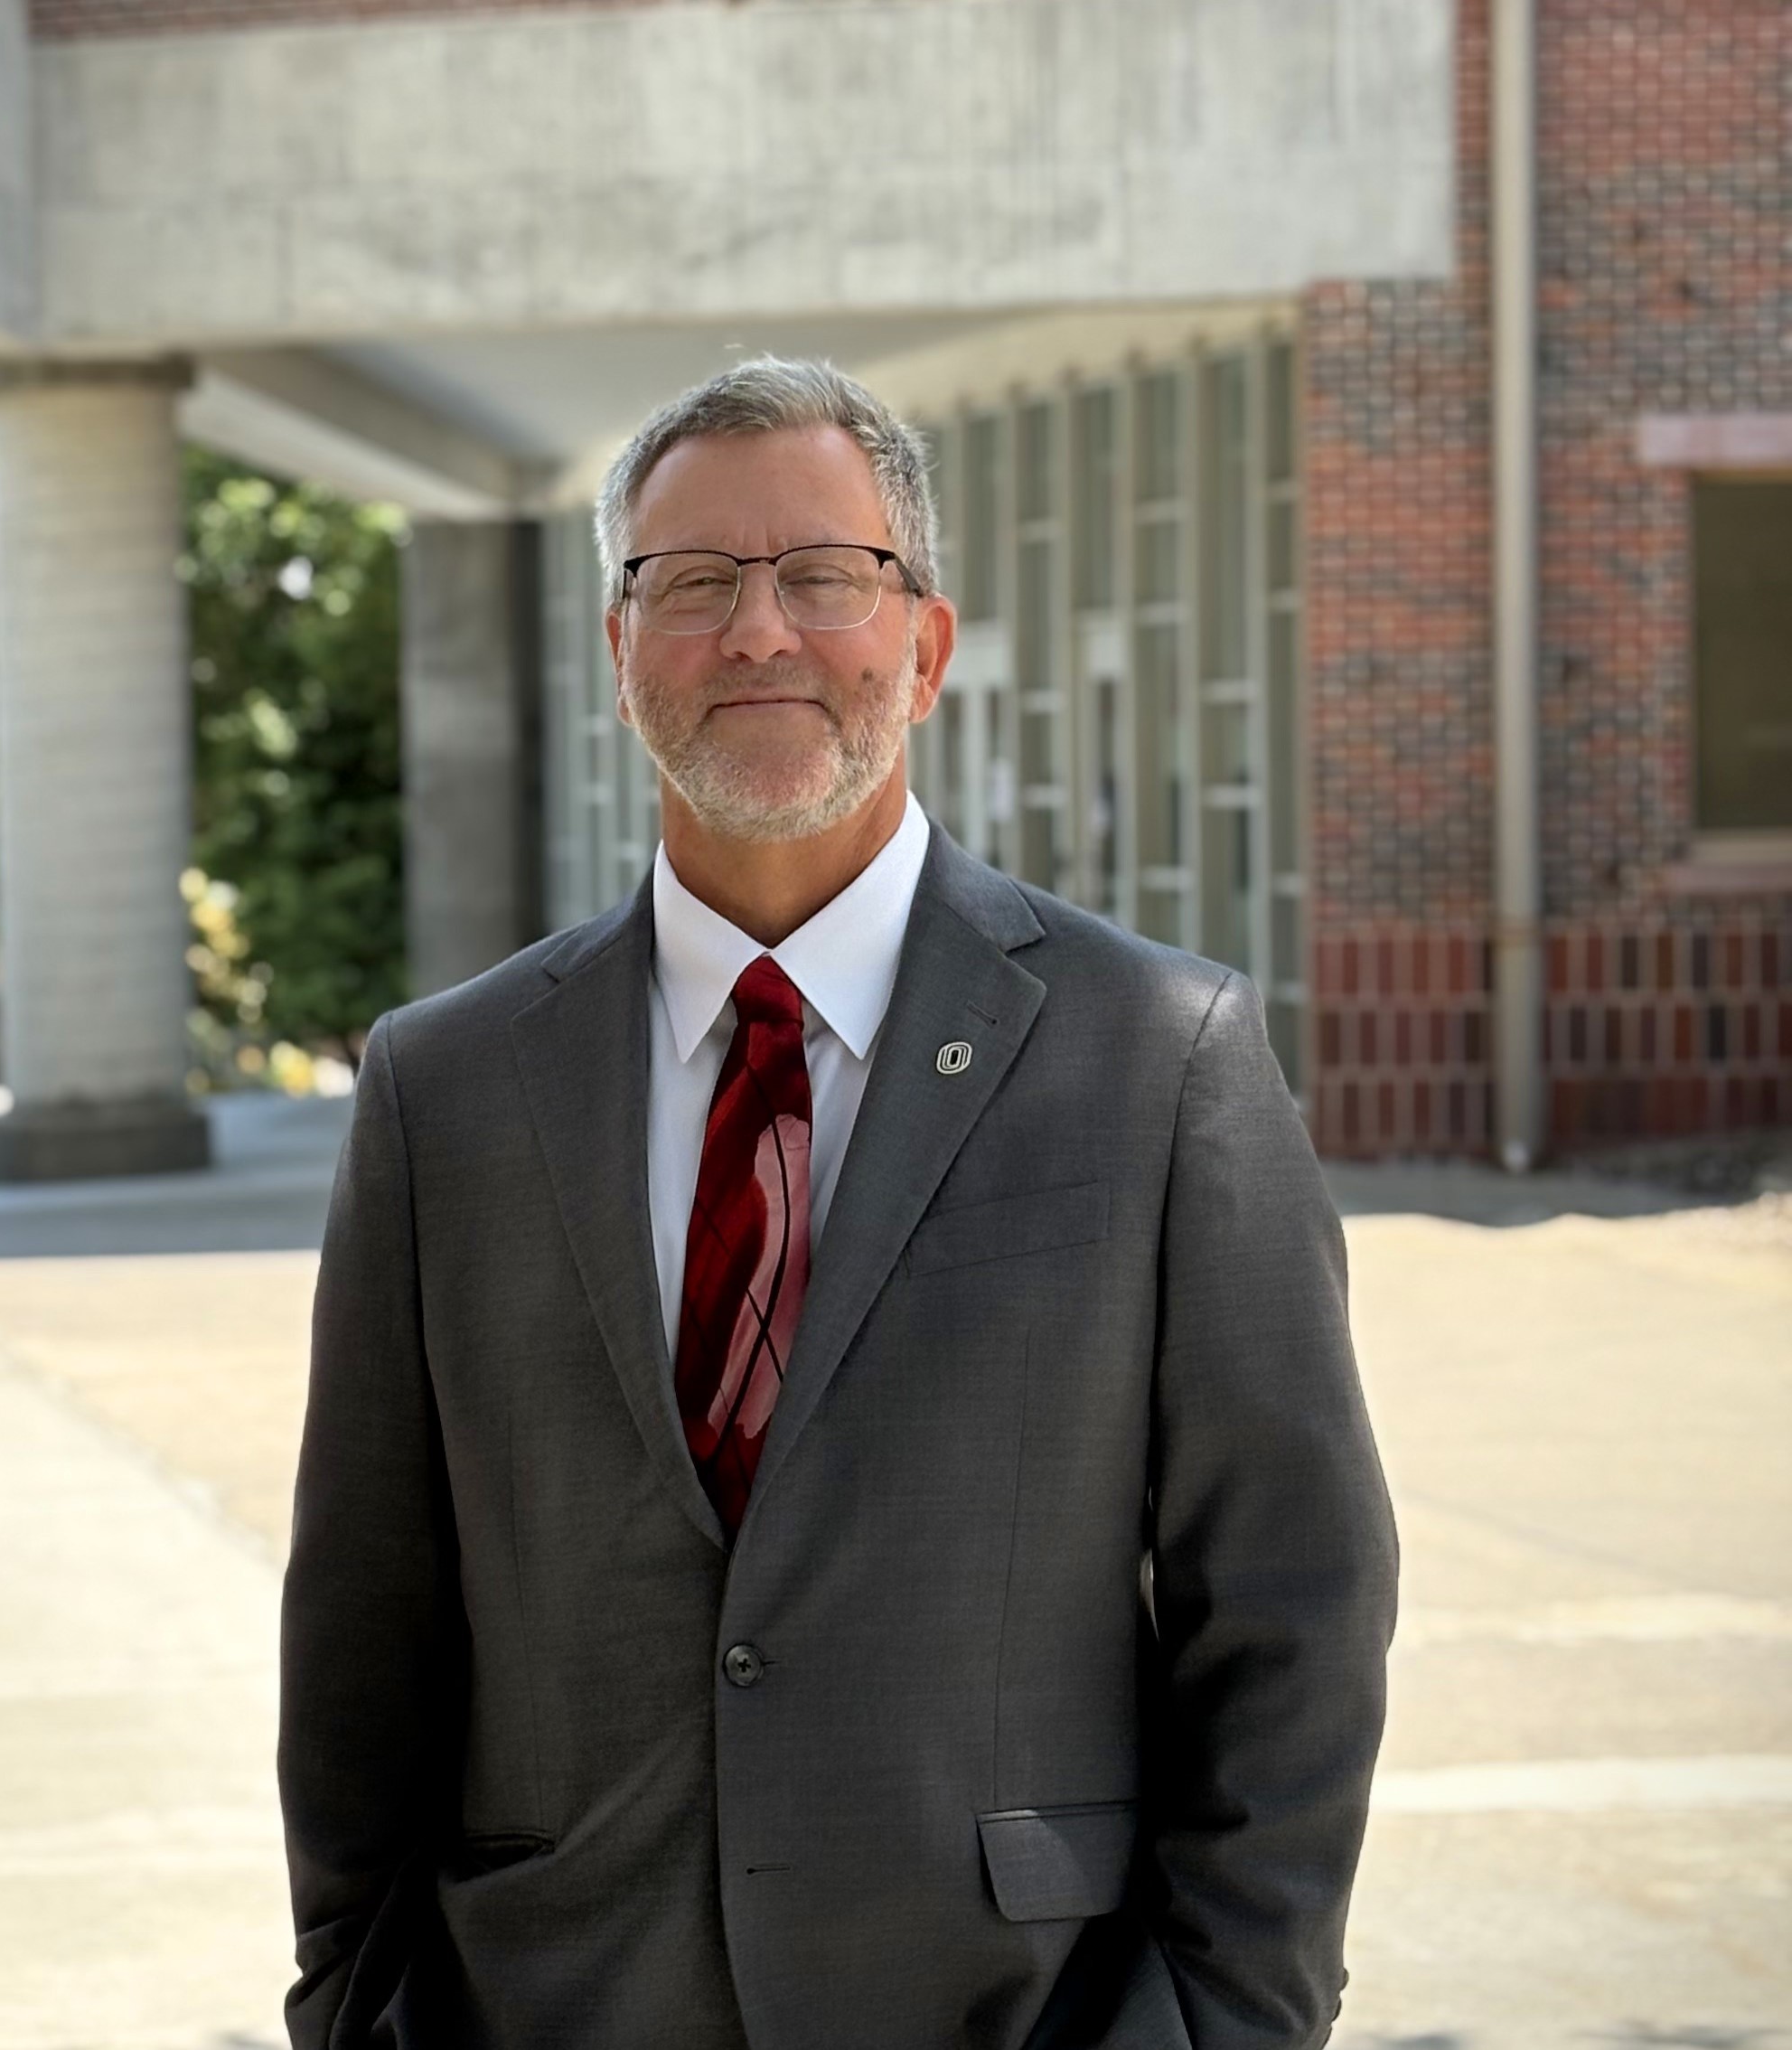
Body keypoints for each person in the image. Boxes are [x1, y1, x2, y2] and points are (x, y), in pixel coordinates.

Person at [278, 358, 1396, 2049]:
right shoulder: (446, 1091)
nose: (758, 632)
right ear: (619, 653)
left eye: (823, 574)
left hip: (1022, 2009)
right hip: (553, 2002)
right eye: (694, 583)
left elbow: (1294, 1605)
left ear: (926, 648)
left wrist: (1223, 2023)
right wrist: (356, 2006)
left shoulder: (1157, 1057)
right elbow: (366, 1617)